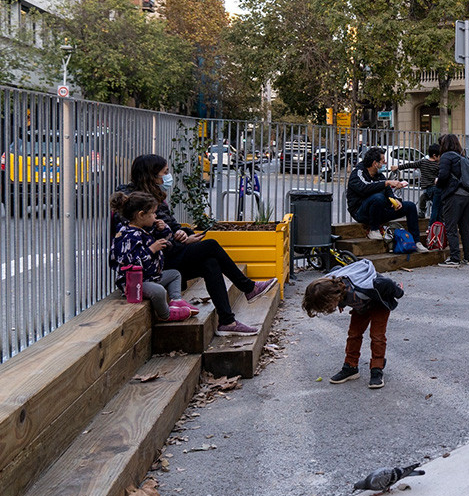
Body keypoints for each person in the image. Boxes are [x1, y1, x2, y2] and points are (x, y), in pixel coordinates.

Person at [114, 154, 273, 337]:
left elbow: (171, 227)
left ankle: (227, 321)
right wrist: (179, 240)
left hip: (167, 255)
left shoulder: (153, 197)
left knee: (210, 263)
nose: (168, 177)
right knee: (211, 246)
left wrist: (184, 234)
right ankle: (249, 288)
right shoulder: (133, 204)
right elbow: (145, 240)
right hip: (154, 263)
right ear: (151, 174)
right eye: (165, 173)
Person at [302, 259, 403, 390]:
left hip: (379, 304)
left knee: (377, 335)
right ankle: (350, 367)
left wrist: (399, 292)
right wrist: (341, 303)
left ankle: (377, 369)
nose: (328, 309)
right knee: (354, 334)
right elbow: (337, 268)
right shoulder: (330, 284)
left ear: (333, 296)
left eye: (327, 306)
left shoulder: (363, 287)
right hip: (361, 306)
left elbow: (387, 283)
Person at [109, 191, 195, 323]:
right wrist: (151, 249)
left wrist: (163, 230)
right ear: (141, 215)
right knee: (159, 291)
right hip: (134, 284)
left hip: (151, 277)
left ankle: (176, 300)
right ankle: (165, 314)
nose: (155, 216)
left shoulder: (144, 229)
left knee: (175, 274)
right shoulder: (128, 235)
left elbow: (167, 241)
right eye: (153, 213)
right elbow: (130, 263)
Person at [347, 147, 427, 249]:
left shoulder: (380, 175)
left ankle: (416, 242)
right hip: (361, 212)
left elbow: (389, 192)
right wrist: (386, 183)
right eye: (383, 161)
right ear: (375, 163)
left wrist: (396, 201)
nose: (385, 164)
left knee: (410, 206)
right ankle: (374, 229)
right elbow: (364, 188)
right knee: (378, 197)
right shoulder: (358, 173)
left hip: (380, 211)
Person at [434, 134, 469, 267]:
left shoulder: (446, 156)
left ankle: (454, 258)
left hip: (454, 196)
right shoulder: (462, 157)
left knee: (451, 226)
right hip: (468, 195)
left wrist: (438, 183)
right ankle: (468, 257)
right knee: (466, 228)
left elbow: (443, 175)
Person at [394, 143, 441, 222]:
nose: (440, 158)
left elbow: (410, 165)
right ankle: (435, 221)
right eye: (439, 156)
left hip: (427, 189)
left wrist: (398, 167)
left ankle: (422, 212)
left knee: (423, 199)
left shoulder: (422, 162)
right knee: (436, 206)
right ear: (434, 155)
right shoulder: (438, 165)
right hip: (434, 188)